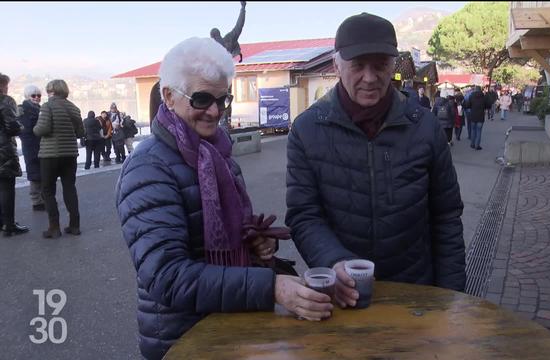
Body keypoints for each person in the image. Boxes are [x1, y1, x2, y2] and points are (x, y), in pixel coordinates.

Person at [115, 37, 333, 360]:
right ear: (169, 97)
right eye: (202, 98)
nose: (215, 111)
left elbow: (228, 237)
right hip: (183, 340)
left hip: (233, 327)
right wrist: (270, 287)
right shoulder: (147, 167)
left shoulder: (217, 152)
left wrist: (257, 246)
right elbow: (167, 277)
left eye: (223, 99)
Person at [285, 13, 466, 310]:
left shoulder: (425, 126)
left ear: (393, 65)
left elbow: (446, 217)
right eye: (358, 65)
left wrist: (452, 297)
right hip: (343, 295)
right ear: (336, 65)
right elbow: (304, 215)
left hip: (416, 294)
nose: (369, 78)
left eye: (380, 65)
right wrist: (335, 261)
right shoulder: (306, 130)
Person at [34, 79, 85, 238]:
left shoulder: (47, 106)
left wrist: (34, 129)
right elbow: (80, 133)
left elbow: (43, 129)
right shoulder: (74, 108)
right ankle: (74, 225)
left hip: (50, 155)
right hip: (70, 154)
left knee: (48, 190)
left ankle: (54, 227)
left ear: (52, 91)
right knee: (69, 187)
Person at [0, 73, 29, 236]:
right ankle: (8, 224)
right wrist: (21, 127)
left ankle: (2, 221)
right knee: (6, 187)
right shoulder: (5, 101)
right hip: (3, 149)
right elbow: (12, 127)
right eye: (6, 85)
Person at [17, 85, 45, 211]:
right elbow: (25, 130)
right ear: (27, 96)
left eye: (39, 95)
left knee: (41, 173)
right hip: (31, 146)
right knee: (34, 174)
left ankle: (41, 198)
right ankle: (36, 201)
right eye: (34, 95)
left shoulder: (38, 109)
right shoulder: (23, 110)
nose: (37, 98)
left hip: (40, 145)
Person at [463, 86, 490, 150]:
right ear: (480, 90)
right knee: (479, 131)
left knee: (473, 130)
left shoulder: (471, 96)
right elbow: (488, 105)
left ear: (475, 90)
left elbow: (468, 105)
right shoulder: (484, 97)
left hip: (473, 115)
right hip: (480, 116)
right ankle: (477, 145)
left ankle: (472, 144)